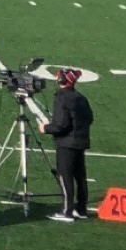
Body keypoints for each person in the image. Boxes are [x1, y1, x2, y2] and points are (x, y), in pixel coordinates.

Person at [42, 68, 96, 221]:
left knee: (65, 176)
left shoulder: (61, 97)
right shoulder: (81, 97)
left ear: (61, 81)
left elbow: (60, 125)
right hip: (81, 142)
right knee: (80, 177)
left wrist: (45, 128)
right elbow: (90, 118)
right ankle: (81, 209)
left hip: (66, 143)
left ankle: (67, 211)